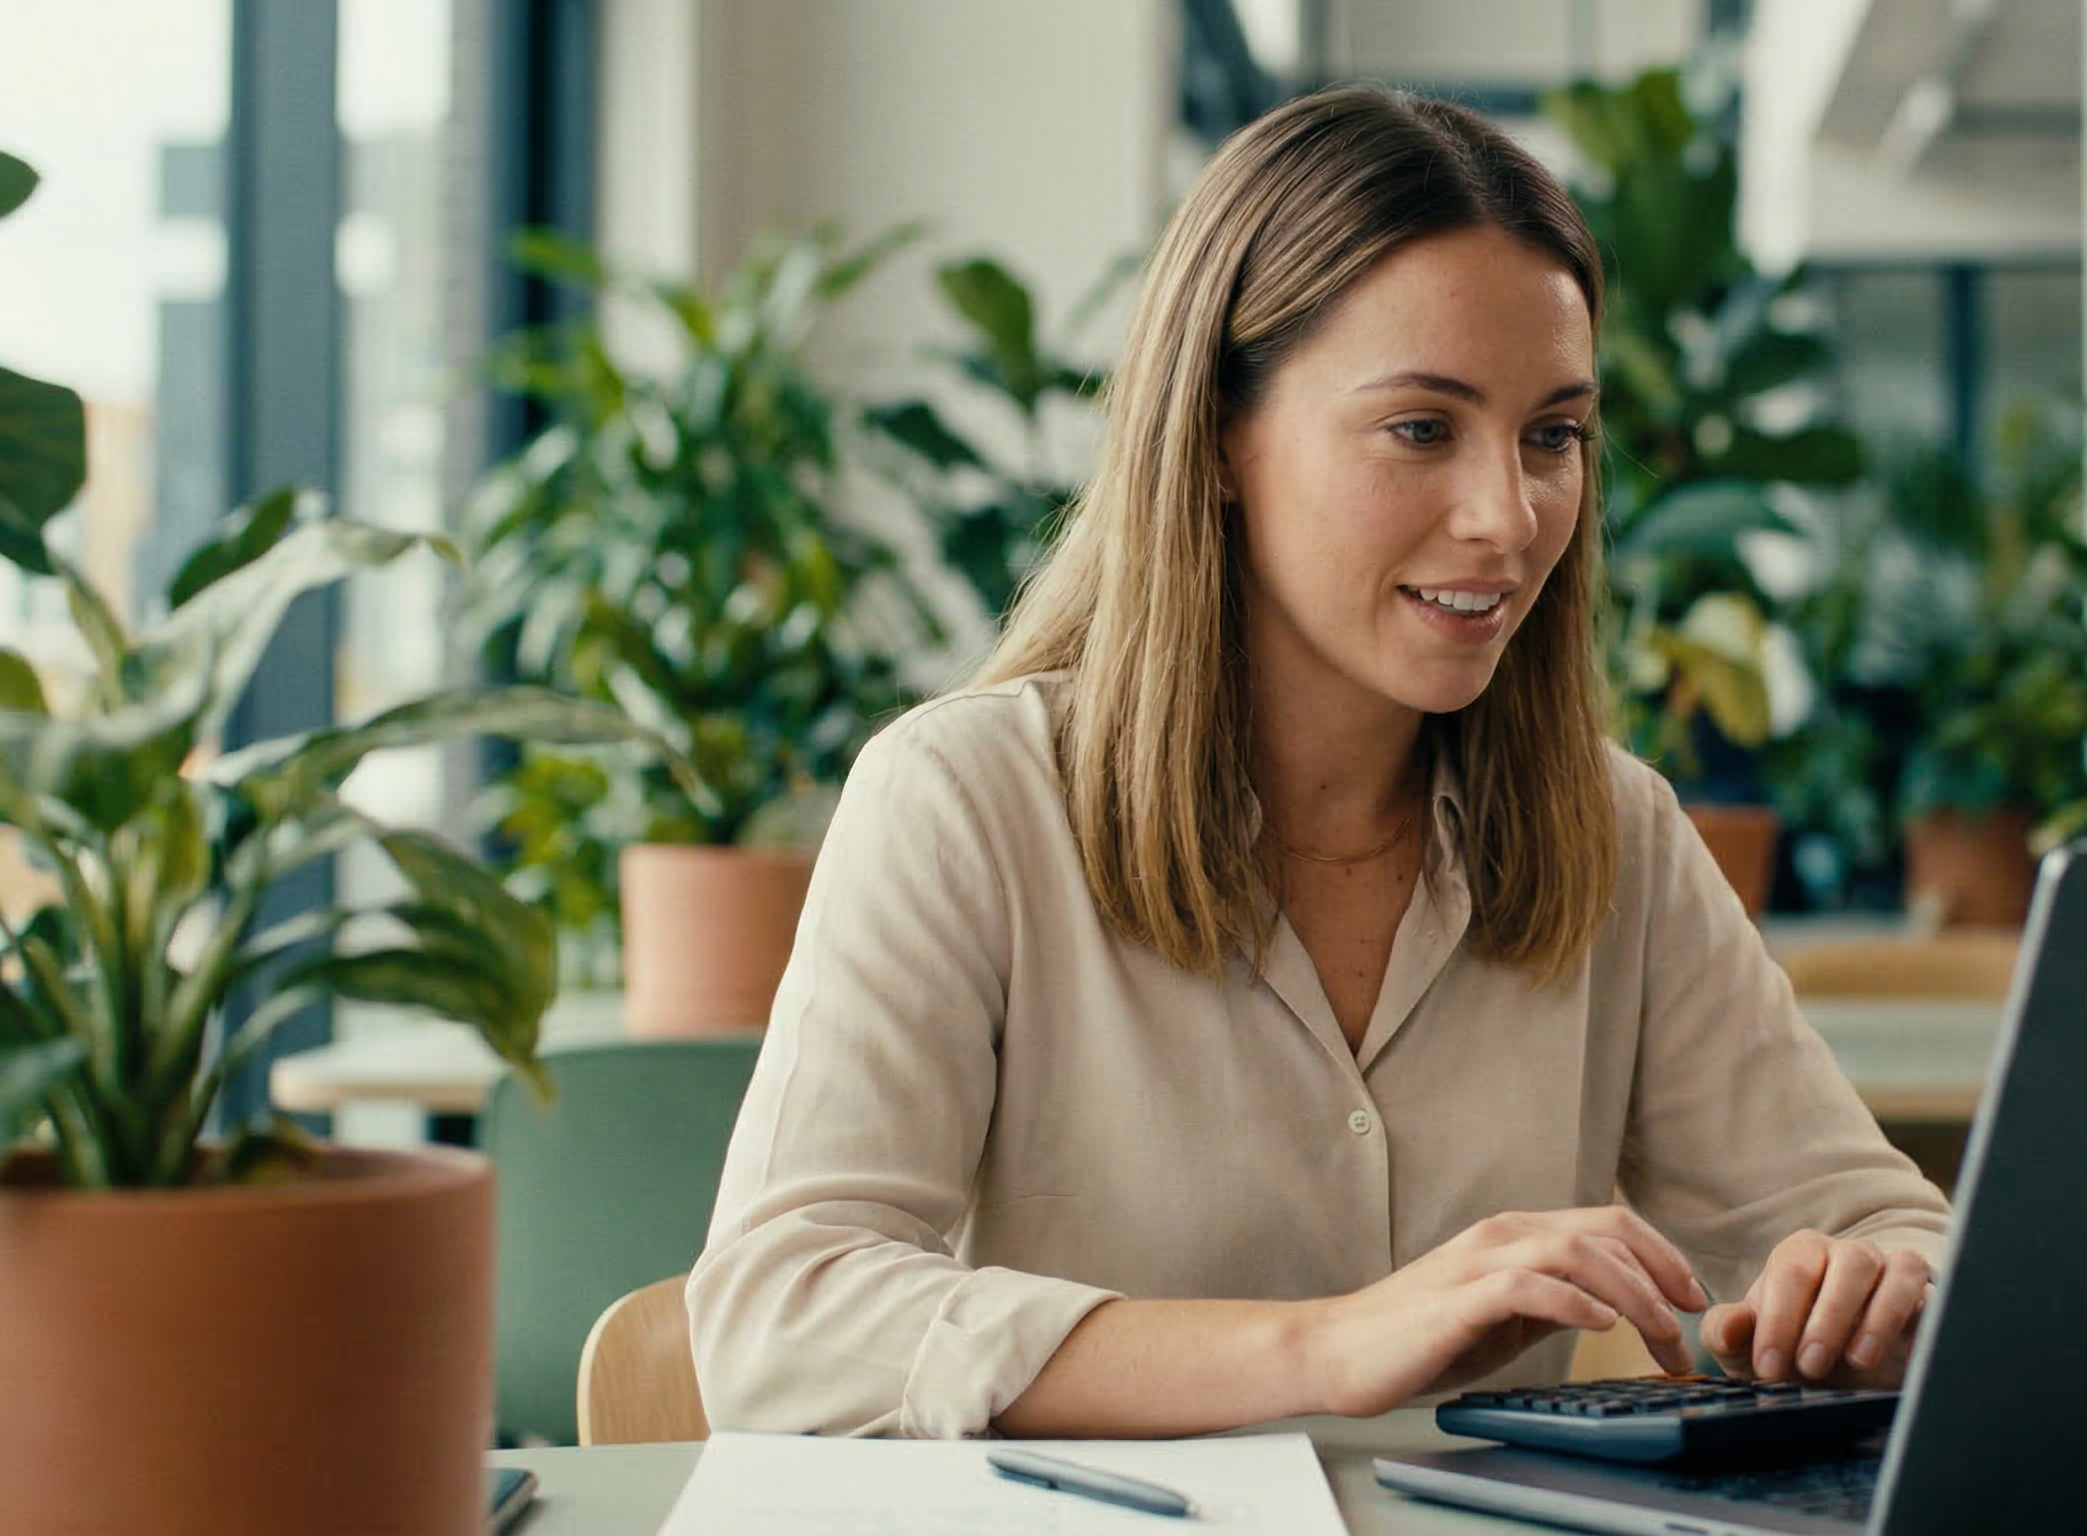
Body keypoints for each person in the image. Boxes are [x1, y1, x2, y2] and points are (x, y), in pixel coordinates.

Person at [686, 84, 1949, 1441]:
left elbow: (1888, 1230)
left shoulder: (1614, 831)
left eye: (1553, 437)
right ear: (1220, 437)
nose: (1509, 515)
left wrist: (1879, 1287)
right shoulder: (966, 802)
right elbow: (782, 1320)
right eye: (1421, 428)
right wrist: (1325, 1347)